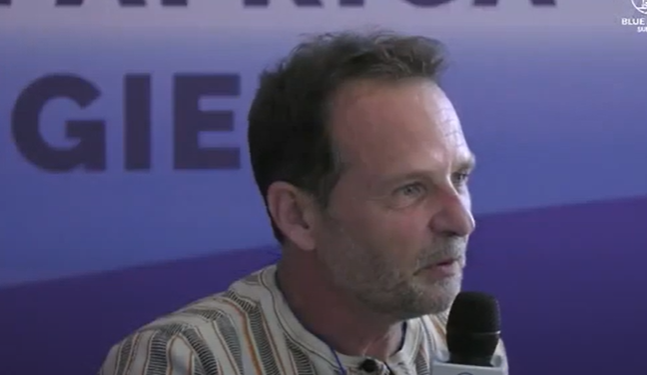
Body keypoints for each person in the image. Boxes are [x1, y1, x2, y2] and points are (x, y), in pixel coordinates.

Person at [98, 30, 507, 375]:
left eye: (459, 177)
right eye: (410, 189)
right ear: (297, 216)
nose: (462, 221)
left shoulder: (463, 346)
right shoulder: (186, 361)